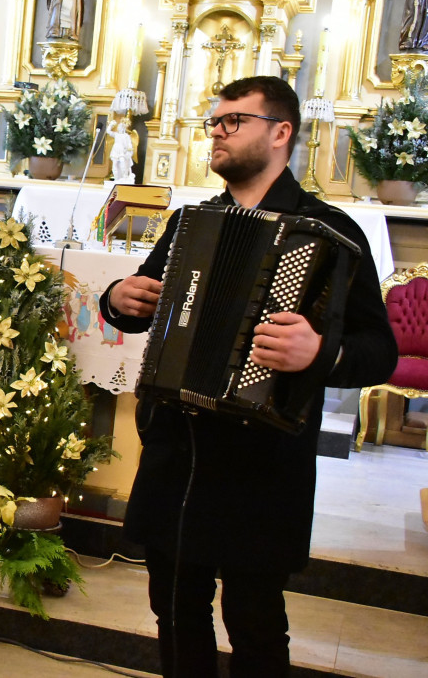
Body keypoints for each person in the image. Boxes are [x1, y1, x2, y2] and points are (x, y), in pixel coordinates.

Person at [99, 76, 397, 677]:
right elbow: (143, 305)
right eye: (214, 121)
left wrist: (319, 352)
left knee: (254, 618)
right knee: (174, 609)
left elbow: (379, 352)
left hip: (263, 461)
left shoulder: (331, 232)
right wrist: (117, 298)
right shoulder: (190, 223)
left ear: (281, 132)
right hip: (179, 448)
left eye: (233, 121)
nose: (216, 132)